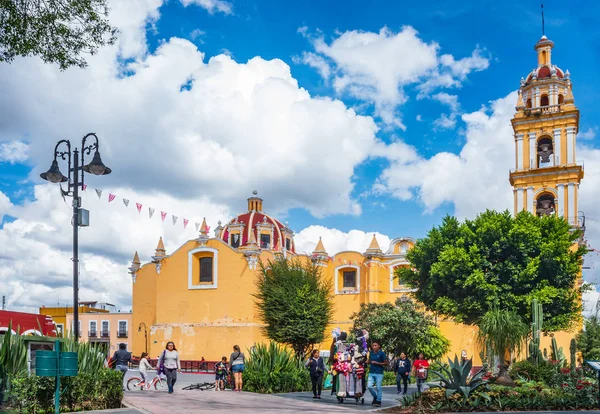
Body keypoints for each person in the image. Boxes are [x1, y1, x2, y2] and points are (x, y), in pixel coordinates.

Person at [367, 341, 387, 407]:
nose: (374, 347)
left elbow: (386, 363)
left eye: (375, 345)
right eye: (373, 345)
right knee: (369, 386)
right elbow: (370, 361)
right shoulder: (371, 353)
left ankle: (378, 401)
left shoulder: (382, 353)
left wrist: (377, 363)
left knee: (378, 387)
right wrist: (367, 362)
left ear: (379, 346)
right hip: (371, 372)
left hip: (379, 373)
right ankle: (375, 397)